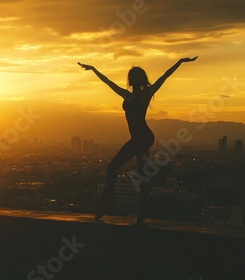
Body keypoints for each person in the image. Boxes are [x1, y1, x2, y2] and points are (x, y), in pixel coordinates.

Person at [77, 56, 198, 224]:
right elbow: (108, 82)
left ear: (138, 79)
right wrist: (94, 69)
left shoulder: (146, 94)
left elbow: (165, 75)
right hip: (139, 138)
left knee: (113, 167)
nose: (131, 79)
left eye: (133, 76)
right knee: (139, 174)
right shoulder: (126, 95)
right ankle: (139, 213)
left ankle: (104, 207)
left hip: (143, 137)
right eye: (130, 76)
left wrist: (180, 62)